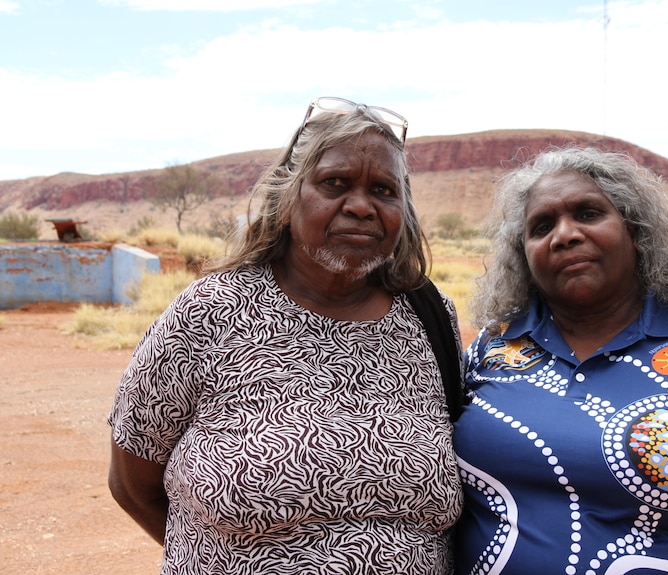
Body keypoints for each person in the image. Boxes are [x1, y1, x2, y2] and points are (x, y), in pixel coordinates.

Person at [108, 96, 464, 574]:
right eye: (334, 183)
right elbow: (132, 484)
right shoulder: (208, 312)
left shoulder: (428, 316)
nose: (360, 206)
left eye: (383, 190)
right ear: (287, 198)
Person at [453, 147, 668, 574]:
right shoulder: (490, 349)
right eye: (541, 226)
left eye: (587, 214)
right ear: (524, 253)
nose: (564, 235)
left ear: (635, 230)